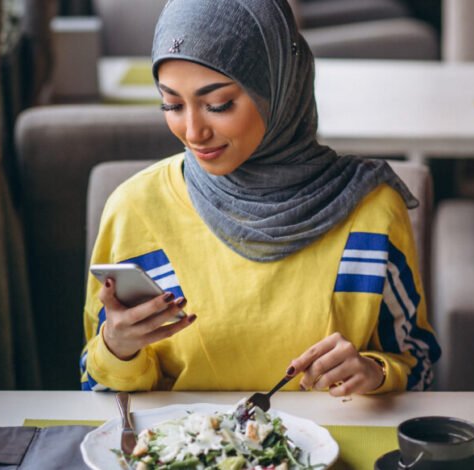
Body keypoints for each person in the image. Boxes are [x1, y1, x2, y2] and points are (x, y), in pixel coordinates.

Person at [79, 0, 440, 395]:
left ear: (279, 88)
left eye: (218, 105)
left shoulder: (371, 210)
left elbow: (418, 367)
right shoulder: (134, 209)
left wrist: (375, 373)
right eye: (172, 104)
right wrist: (118, 348)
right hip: (182, 452)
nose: (193, 131)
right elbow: (96, 386)